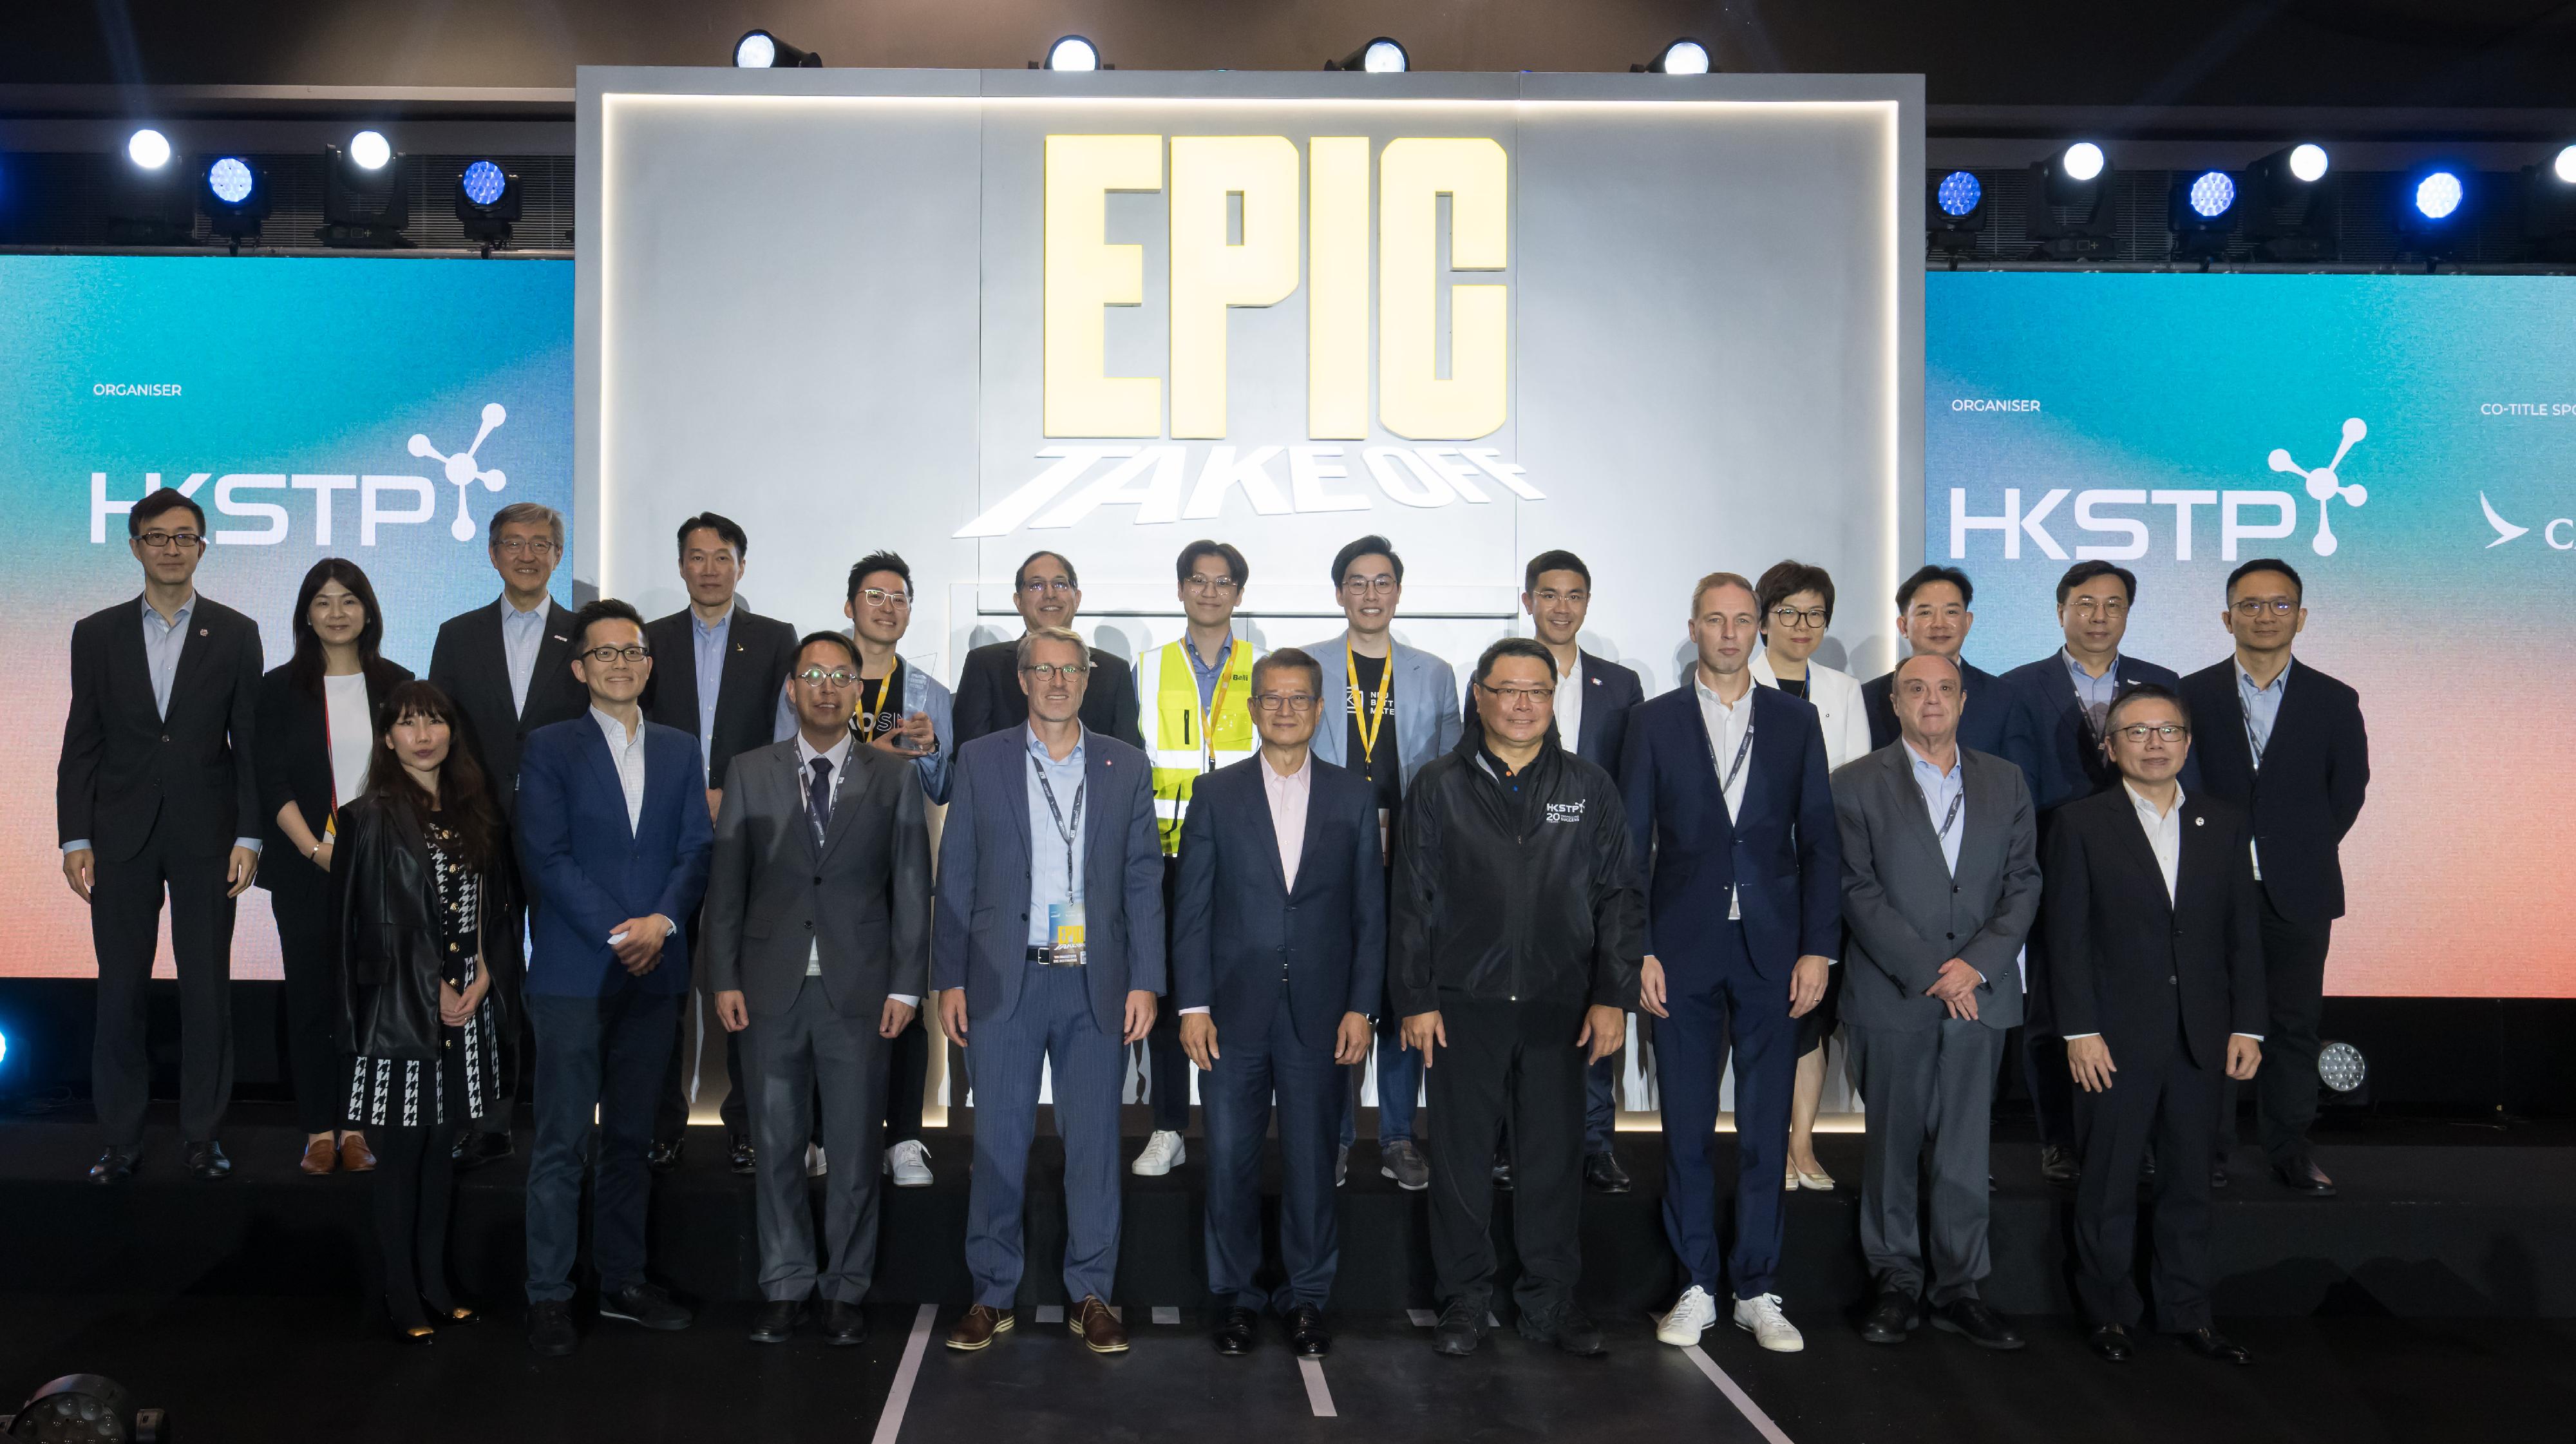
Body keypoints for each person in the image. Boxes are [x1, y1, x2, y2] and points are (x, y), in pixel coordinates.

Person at [1394, 638, 1640, 1358]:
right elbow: (1410, 901)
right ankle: (1464, 1303)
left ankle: (1549, 1303)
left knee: (1552, 1162)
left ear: (1553, 697)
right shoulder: (1436, 785)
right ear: (1480, 695)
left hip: (1560, 1005)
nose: (1522, 704)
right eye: (1507, 690)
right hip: (1458, 1003)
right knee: (1462, 1161)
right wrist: (1415, 997)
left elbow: (1619, 897)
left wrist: (1610, 995)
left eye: (1537, 690)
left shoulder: (1589, 787)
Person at [1624, 572, 1840, 1354]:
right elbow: (1629, 847)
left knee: (1762, 1129)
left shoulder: (1794, 719)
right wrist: (1637, 946)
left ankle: (1755, 1286)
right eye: (1714, 620)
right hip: (1679, 949)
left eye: (1742, 619)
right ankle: (1693, 1285)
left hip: (1774, 950)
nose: (1728, 632)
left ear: (1759, 628)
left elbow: (1817, 838)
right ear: (1693, 627)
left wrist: (1818, 945)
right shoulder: (1652, 722)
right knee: (1684, 1126)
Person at [934, 627, 1162, 1356]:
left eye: (1071, 669)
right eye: (1044, 669)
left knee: (1094, 1145)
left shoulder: (1125, 764)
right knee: (997, 1142)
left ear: (1087, 680)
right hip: (1005, 980)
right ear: (1023, 678)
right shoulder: (981, 759)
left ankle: (1091, 1293)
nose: (1058, 681)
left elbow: (1141, 882)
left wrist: (1147, 980)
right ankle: (991, 1293)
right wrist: (948, 978)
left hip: (1095, 980)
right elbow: (957, 877)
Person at [702, 632, 931, 1348]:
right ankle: (786, 1282)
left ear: (858, 692)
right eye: (813, 675)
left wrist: (907, 985)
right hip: (768, 988)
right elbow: (727, 884)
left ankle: (845, 1289)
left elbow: (912, 891)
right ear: (792, 690)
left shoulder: (894, 776)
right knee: (775, 1145)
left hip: (860, 990)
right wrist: (724, 975)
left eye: (841, 675)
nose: (827, 687)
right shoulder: (750, 770)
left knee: (858, 1148)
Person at [514, 599, 714, 1357]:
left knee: (631, 1138)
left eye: (632, 651)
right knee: (563, 1140)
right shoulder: (550, 747)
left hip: (656, 969)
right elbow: (547, 856)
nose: (622, 664)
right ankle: (548, 1293)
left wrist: (660, 923)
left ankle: (623, 1281)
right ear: (579, 668)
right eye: (605, 655)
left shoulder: (677, 747)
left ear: (649, 662)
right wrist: (620, 929)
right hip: (574, 970)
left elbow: (695, 850)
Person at [2043, 684, 2264, 1365]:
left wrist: (2248, 1025)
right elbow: (2065, 938)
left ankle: (2187, 1311)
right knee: (2107, 1181)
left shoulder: (2222, 822)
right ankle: (2108, 1312)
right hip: (2111, 1038)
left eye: (2167, 731)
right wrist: (2079, 1029)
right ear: (2110, 748)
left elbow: (2241, 935)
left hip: (2202, 1036)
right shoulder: (2080, 823)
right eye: (2137, 732)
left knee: (2190, 1181)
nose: (2154, 743)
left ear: (2187, 743)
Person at [1173, 647, 1381, 1359]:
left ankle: (1306, 1299)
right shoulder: (1215, 793)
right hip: (1230, 1014)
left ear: (1320, 710)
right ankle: (1234, 1298)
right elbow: (1191, 909)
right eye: (1272, 698)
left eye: (1299, 698)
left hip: (1323, 1016)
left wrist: (1363, 1005)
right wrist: (1191, 1004)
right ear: (1252, 707)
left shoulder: (1354, 794)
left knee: (1312, 1164)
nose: (1285, 709)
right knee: (1228, 1162)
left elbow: (1369, 915)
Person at [1832, 653, 2040, 1350]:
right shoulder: (1854, 783)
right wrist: (1932, 970)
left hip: (1979, 996)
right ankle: (1895, 1280)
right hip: (1895, 992)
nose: (1930, 700)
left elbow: (2024, 884)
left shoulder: (2005, 780)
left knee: (1963, 1147)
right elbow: (1855, 890)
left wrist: (1975, 967)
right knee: (1890, 1145)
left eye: (1943, 689)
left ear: (1962, 699)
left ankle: (1959, 1286)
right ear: (1892, 702)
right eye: (1914, 689)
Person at [59, 488, 264, 1185]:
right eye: (158, 536)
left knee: (208, 988)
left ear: (202, 547)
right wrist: (72, 837)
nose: (172, 548)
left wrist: (250, 834)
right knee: (120, 989)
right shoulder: (96, 631)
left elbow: (250, 744)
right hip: (119, 833)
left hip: (209, 835)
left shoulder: (237, 632)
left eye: (185, 536)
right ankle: (120, 1137)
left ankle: (202, 1136)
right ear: (135, 545)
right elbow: (81, 741)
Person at [1998, 560, 2193, 1187]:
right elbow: (2005, 785)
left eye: (2113, 605)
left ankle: (2129, 1134)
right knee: (2053, 1006)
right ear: (2061, 611)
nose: (2098, 616)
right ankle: (2059, 1136)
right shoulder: (2016, 687)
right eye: (2085, 603)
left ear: (2127, 615)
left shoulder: (2161, 683)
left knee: (2134, 1004)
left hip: (2140, 868)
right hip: (2048, 863)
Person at [2177, 559, 2368, 1195]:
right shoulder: (2191, 694)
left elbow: (2347, 792)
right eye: (2250, 605)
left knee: (2292, 1024)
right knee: (2208, 1021)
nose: (2264, 616)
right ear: (2226, 616)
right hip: (2210, 886)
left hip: (2299, 889)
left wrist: (2294, 848)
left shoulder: (2335, 699)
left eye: (2279, 604)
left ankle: (2289, 1148)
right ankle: (2209, 1149)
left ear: (2301, 616)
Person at [336, 680, 516, 1343]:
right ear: (387, 737)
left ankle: (437, 1285)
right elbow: (361, 928)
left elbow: (499, 906)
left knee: (443, 1151)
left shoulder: (476, 808)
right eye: (408, 723)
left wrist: (488, 973)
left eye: (435, 721)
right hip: (402, 1009)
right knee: (404, 1153)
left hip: (469, 1001)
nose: (423, 734)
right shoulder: (366, 816)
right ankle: (400, 1293)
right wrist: (429, 983)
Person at [1468, 551, 1645, 1195]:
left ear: (1587, 603)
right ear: (1528, 601)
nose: (1561, 607)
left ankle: (1595, 1142)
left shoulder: (1619, 685)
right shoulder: (1496, 676)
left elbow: (1632, 783)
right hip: (1512, 870)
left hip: (1587, 868)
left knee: (1593, 1008)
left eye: (1574, 595)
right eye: (1549, 594)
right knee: (1518, 1025)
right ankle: (1510, 1144)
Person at [428, 500, 590, 1172]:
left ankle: (564, 1113)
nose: (527, 555)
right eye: (514, 544)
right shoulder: (456, 633)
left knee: (565, 977)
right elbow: (437, 734)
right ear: (492, 554)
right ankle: (490, 1116)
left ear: (559, 554)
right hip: (481, 829)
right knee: (489, 972)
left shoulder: (586, 633)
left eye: (541, 544)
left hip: (568, 833)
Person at [643, 513, 799, 1177]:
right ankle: (659, 1125)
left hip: (746, 832)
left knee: (746, 985)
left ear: (742, 564)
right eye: (696, 556)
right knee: (660, 986)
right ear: (680, 566)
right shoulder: (648, 641)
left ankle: (746, 1128)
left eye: (722, 556)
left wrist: (733, 792)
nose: (709, 568)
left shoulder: (773, 639)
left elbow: (783, 735)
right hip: (663, 835)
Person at [1312, 535, 1461, 1193]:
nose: (1369, 594)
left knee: (1406, 993)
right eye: (1357, 581)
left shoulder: (1434, 672)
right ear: (1339, 591)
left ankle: (1399, 1136)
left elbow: (1455, 773)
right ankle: (1337, 1135)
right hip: (1328, 855)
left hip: (1411, 858)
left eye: (1381, 582)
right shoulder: (1311, 666)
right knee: (1336, 996)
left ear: (1398, 592)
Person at [256, 558, 412, 1177]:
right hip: (306, 868)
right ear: (306, 615)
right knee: (313, 998)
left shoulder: (399, 685)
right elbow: (269, 779)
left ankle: (358, 1127)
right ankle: (319, 1130)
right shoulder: (278, 688)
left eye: (349, 600)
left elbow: (414, 771)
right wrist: (316, 850)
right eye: (323, 602)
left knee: (370, 1000)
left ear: (368, 611)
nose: (337, 612)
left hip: (381, 869)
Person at [1132, 540, 1264, 1178]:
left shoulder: (1266, 669)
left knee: (1236, 989)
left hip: (1244, 856)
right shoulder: (1147, 666)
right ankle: (1167, 1126)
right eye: (1197, 581)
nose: (1210, 592)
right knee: (1166, 990)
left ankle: (1232, 1128)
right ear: (1180, 590)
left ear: (1239, 593)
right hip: (1163, 855)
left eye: (1223, 582)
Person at [1749, 559, 1871, 1193]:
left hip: (1821, 873)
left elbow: (1850, 790)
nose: (1803, 625)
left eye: (1815, 613)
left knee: (1812, 1013)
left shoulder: (1842, 689)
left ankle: (1802, 1143)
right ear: (1763, 619)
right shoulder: (1732, 682)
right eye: (1789, 612)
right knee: (1763, 1011)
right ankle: (1766, 1142)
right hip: (1753, 878)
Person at [842, 551, 954, 1190]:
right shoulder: (817, 679)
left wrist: (932, 750)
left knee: (907, 995)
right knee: (830, 999)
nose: (887, 607)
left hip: (904, 862)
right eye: (875, 595)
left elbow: (944, 787)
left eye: (899, 598)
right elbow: (787, 764)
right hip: (826, 864)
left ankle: (906, 1135)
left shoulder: (930, 694)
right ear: (850, 604)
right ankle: (829, 1131)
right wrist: (872, 755)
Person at [951, 549, 1144, 749]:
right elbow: (968, 756)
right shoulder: (985, 664)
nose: (1050, 594)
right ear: (1018, 601)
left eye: (1060, 584)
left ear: (1077, 598)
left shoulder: (1113, 671)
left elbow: (1127, 762)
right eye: (1037, 585)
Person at [1861, 565, 2018, 757]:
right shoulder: (1868, 698)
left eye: (1951, 612)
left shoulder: (2002, 696)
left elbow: (2013, 779)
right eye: (1925, 613)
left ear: (1968, 622)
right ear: (1903, 626)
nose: (1939, 624)